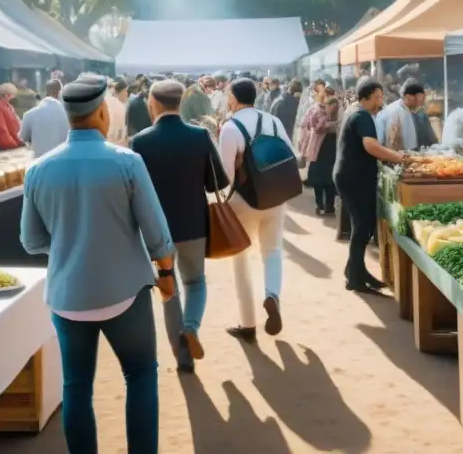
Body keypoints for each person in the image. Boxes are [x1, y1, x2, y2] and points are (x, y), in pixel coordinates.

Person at [20, 74, 175, 454]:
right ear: (102, 112)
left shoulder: (38, 170)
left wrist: (71, 244)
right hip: (126, 294)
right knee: (140, 376)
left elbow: (31, 241)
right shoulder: (127, 162)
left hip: (68, 297)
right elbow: (156, 232)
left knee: (76, 387)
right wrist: (167, 273)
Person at [132, 80, 228, 373]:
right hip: (194, 224)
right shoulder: (199, 136)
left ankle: (181, 354)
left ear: (154, 104)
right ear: (181, 102)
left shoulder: (141, 141)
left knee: (168, 287)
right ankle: (191, 328)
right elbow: (218, 183)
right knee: (195, 282)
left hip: (156, 229)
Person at [218, 78, 292, 342]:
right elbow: (288, 155)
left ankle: (248, 324)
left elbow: (225, 176)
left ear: (234, 98)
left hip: (244, 200)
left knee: (241, 260)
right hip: (276, 197)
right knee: (272, 251)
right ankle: (272, 294)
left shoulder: (231, 127)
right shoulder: (273, 121)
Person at [335, 78, 407, 294]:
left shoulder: (356, 112)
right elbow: (371, 145)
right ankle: (354, 278)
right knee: (362, 227)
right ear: (365, 97)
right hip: (353, 178)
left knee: (363, 226)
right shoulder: (361, 115)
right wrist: (399, 158)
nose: (380, 101)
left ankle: (356, 270)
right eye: (377, 97)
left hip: (352, 177)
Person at [299, 83, 340, 216]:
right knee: (318, 178)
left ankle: (328, 205)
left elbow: (341, 123)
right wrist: (328, 121)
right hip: (319, 147)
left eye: (330, 95)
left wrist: (333, 116)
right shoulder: (314, 109)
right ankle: (319, 204)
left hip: (332, 146)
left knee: (330, 178)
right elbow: (312, 126)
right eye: (325, 95)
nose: (327, 97)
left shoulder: (338, 107)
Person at [377, 81, 436, 152]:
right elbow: (393, 142)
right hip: (394, 158)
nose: (420, 103)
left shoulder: (405, 110)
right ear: (408, 97)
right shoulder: (399, 112)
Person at [20, 79, 70, 159]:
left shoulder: (29, 114)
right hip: (62, 160)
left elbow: (23, 137)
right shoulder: (70, 115)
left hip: (39, 161)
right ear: (60, 92)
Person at [0, 82, 23, 151]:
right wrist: (15, 146)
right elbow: (2, 132)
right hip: (6, 150)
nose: (14, 98)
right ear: (6, 96)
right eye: (13, 96)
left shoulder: (8, 107)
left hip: (14, 146)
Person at [105, 77, 129, 146]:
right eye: (126, 90)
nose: (127, 94)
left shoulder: (105, 103)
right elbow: (120, 135)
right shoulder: (119, 107)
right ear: (122, 90)